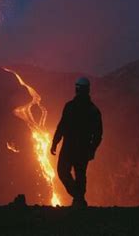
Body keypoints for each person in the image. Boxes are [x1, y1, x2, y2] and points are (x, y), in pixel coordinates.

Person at [50, 77, 103, 207]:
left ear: (77, 89)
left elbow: (61, 126)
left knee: (64, 171)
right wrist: (92, 149)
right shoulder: (93, 110)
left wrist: (55, 142)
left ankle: (78, 198)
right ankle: (79, 198)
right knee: (80, 174)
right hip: (82, 149)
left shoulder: (70, 107)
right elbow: (98, 134)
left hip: (69, 148)